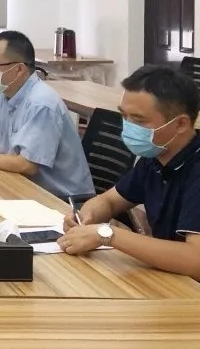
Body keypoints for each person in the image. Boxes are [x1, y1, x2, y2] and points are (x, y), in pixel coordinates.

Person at [57, 66, 200, 279]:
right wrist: (86, 218)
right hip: (169, 277)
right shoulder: (156, 156)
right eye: (124, 116)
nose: (128, 127)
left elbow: (195, 260)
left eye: (139, 120)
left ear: (180, 124)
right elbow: (110, 201)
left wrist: (107, 234)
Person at [0, 30, 93, 198]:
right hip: (23, 186)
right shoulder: (1, 94)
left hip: (62, 199)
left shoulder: (42, 104)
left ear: (19, 69)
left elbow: (26, 164)